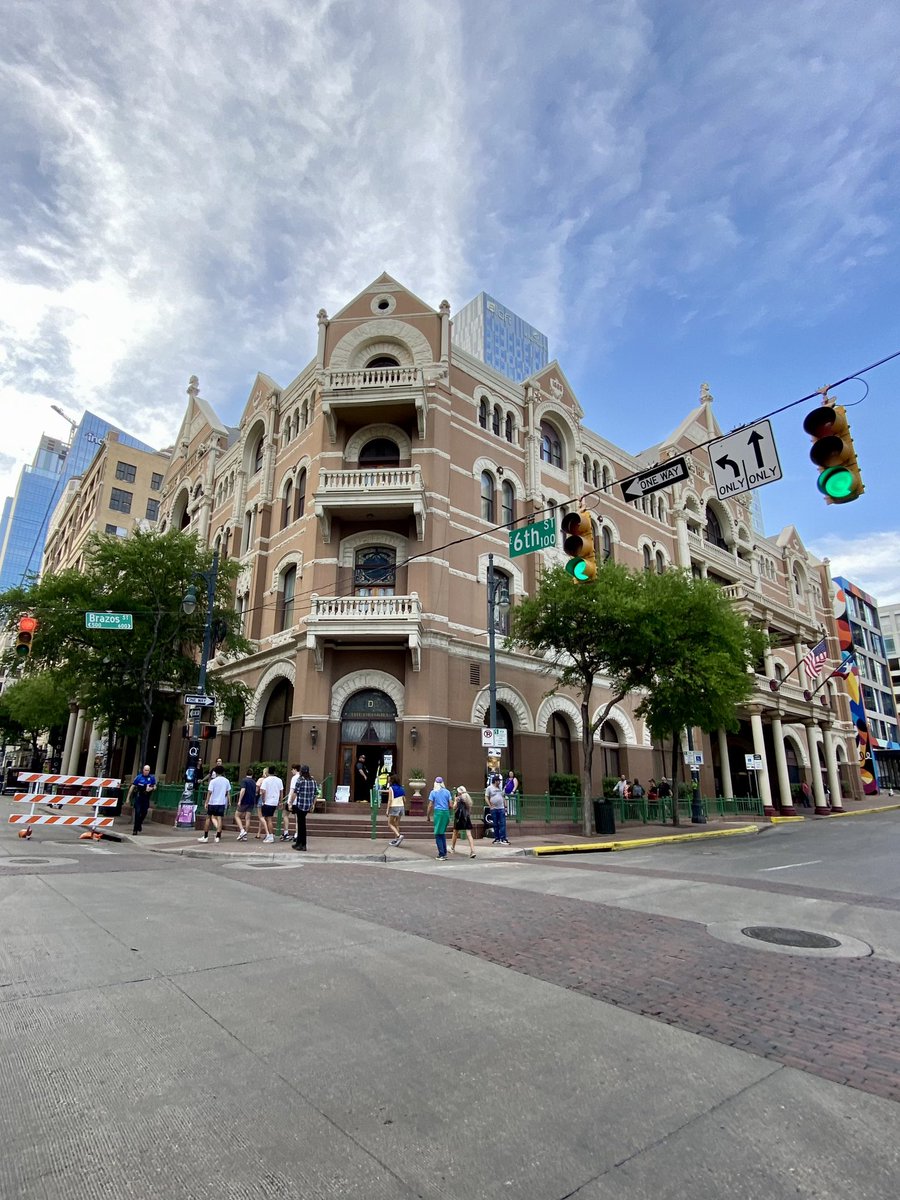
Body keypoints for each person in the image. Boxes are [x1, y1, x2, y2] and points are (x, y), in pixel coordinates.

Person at [198, 765, 230, 843]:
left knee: (208, 818)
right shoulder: (226, 781)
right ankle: (218, 836)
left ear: (215, 772)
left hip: (212, 802)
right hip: (221, 802)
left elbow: (209, 792)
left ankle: (205, 836)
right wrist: (227, 800)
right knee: (219, 818)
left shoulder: (213, 781)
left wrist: (206, 802)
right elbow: (227, 792)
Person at [291, 764, 318, 851]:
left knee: (301, 824)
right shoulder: (313, 781)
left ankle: (302, 844)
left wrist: (290, 802)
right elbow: (315, 794)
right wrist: (313, 804)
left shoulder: (300, 780)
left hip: (300, 805)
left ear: (301, 772)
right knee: (302, 824)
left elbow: (295, 793)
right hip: (308, 805)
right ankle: (299, 843)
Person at [427, 776, 452, 860]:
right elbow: (451, 805)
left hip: (438, 813)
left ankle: (441, 854)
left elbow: (430, 805)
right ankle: (444, 852)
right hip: (446, 813)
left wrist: (428, 815)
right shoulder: (447, 792)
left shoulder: (433, 792)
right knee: (442, 833)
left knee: (437, 834)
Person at [257, 766, 284, 844]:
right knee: (269, 818)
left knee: (268, 819)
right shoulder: (279, 780)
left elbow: (263, 791)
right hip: (275, 801)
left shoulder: (266, 780)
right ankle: (269, 834)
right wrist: (280, 801)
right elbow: (281, 791)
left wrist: (263, 800)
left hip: (267, 801)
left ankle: (270, 835)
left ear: (268, 772)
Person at [127, 764, 156, 835]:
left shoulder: (151, 778)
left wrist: (151, 788)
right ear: (143, 770)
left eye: (148, 770)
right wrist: (128, 798)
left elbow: (155, 786)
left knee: (144, 812)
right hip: (139, 796)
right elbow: (132, 787)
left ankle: (139, 823)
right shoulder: (139, 777)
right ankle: (135, 830)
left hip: (146, 797)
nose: (146, 771)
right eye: (145, 770)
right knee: (137, 812)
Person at [450, 786, 477, 858]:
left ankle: (452, 848)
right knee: (469, 835)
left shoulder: (458, 798)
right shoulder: (468, 798)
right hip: (466, 818)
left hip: (459, 818)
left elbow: (454, 807)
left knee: (455, 832)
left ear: (459, 792)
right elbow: (469, 809)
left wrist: (455, 800)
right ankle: (472, 851)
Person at [485, 773, 509, 845]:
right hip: (494, 808)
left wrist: (505, 805)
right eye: (498, 781)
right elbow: (486, 797)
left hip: (501, 808)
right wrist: (490, 805)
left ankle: (503, 838)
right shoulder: (489, 788)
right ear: (495, 781)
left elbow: (503, 796)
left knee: (502, 823)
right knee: (495, 824)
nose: (499, 782)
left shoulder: (500, 788)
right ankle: (497, 838)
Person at [235, 769, 257, 841]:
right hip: (251, 801)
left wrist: (239, 800)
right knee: (247, 818)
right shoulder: (254, 782)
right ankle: (245, 835)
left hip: (244, 801)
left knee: (237, 815)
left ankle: (242, 830)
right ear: (252, 774)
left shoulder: (244, 780)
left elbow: (243, 790)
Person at [385, 774, 406, 846]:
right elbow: (404, 800)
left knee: (390, 823)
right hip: (401, 807)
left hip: (394, 806)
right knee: (396, 823)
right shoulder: (402, 788)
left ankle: (398, 836)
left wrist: (387, 810)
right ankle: (396, 840)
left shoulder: (391, 788)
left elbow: (390, 800)